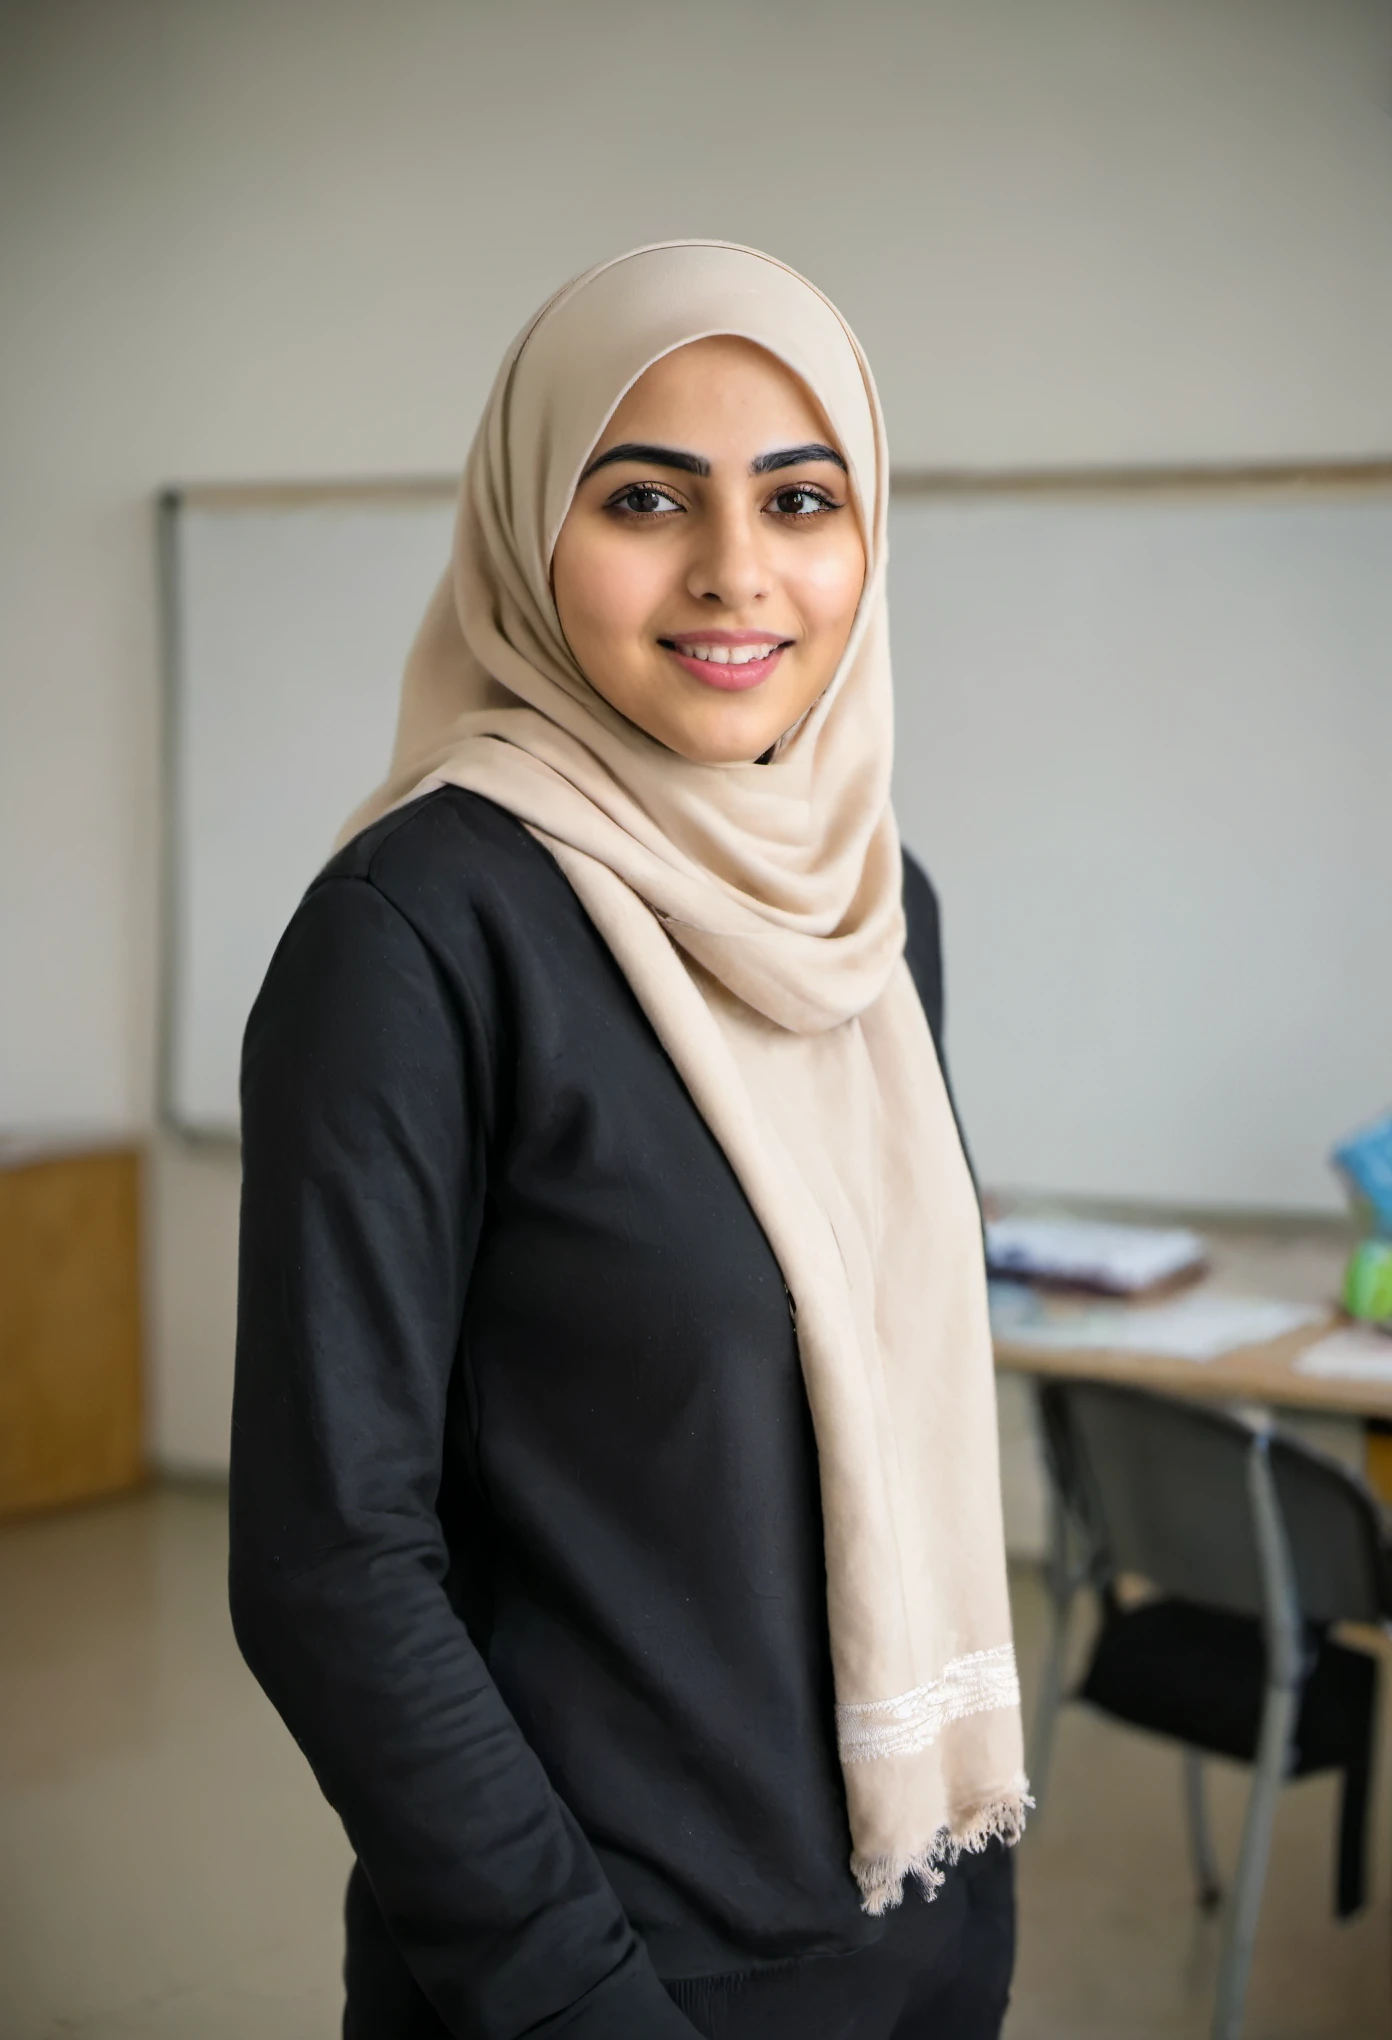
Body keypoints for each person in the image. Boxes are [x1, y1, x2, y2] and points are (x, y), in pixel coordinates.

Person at [230, 241, 1027, 2040]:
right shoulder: (417, 929)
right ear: (529, 527)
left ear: (865, 532)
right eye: (645, 496)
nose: (735, 571)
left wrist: (964, 1929)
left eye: (801, 498)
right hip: (607, 1969)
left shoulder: (883, 911)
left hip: (922, 1917)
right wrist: (572, 1995)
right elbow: (329, 1558)